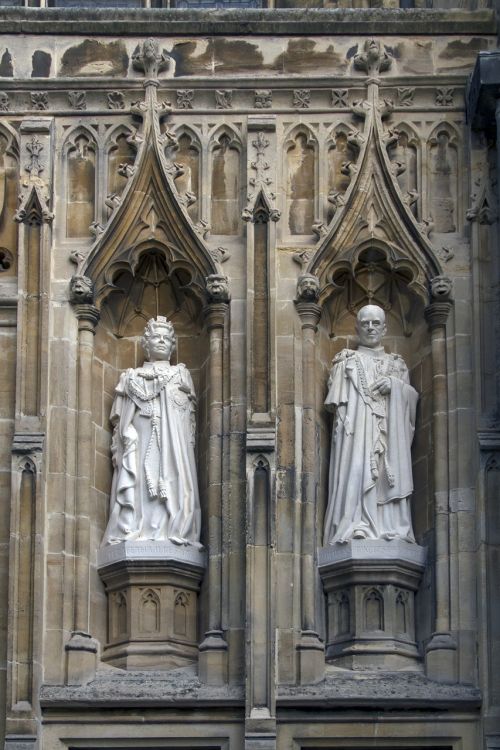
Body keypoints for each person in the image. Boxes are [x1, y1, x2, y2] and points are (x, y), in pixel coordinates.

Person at [102, 316, 201, 547]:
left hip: (172, 445)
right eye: (156, 337)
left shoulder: (180, 374)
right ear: (145, 344)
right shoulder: (130, 378)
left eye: (166, 338)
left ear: (173, 345)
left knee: (170, 484)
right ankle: (134, 527)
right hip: (141, 438)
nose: (161, 341)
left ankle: (173, 528)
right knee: (140, 485)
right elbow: (121, 419)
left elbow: (187, 417)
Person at [323, 304, 418, 546]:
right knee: (356, 472)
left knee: (387, 475)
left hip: (389, 438)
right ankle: (355, 524)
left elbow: (411, 405)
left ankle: (390, 527)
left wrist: (394, 387)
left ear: (385, 328)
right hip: (356, 437)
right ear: (356, 329)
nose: (370, 327)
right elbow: (338, 408)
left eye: (376, 323)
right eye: (365, 323)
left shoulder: (397, 365)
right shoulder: (346, 362)